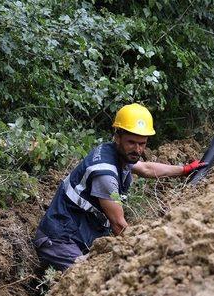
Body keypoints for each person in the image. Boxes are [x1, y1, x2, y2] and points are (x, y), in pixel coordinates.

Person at [33, 103, 205, 271]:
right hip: (58, 240)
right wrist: (146, 252)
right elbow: (118, 225)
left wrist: (184, 170)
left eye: (142, 143)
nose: (137, 149)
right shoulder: (105, 175)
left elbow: (145, 168)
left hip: (79, 235)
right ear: (117, 136)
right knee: (89, 279)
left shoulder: (118, 153)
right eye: (132, 142)